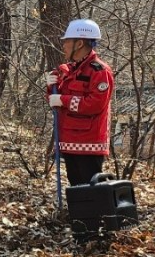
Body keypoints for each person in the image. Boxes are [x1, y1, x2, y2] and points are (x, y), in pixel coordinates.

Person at [47, 19, 114, 185]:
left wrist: (63, 100)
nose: (64, 46)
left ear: (79, 43)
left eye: (67, 41)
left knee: (90, 190)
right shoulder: (70, 71)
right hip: (69, 141)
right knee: (76, 189)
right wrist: (51, 88)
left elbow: (95, 103)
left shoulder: (99, 71)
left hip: (88, 144)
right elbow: (56, 102)